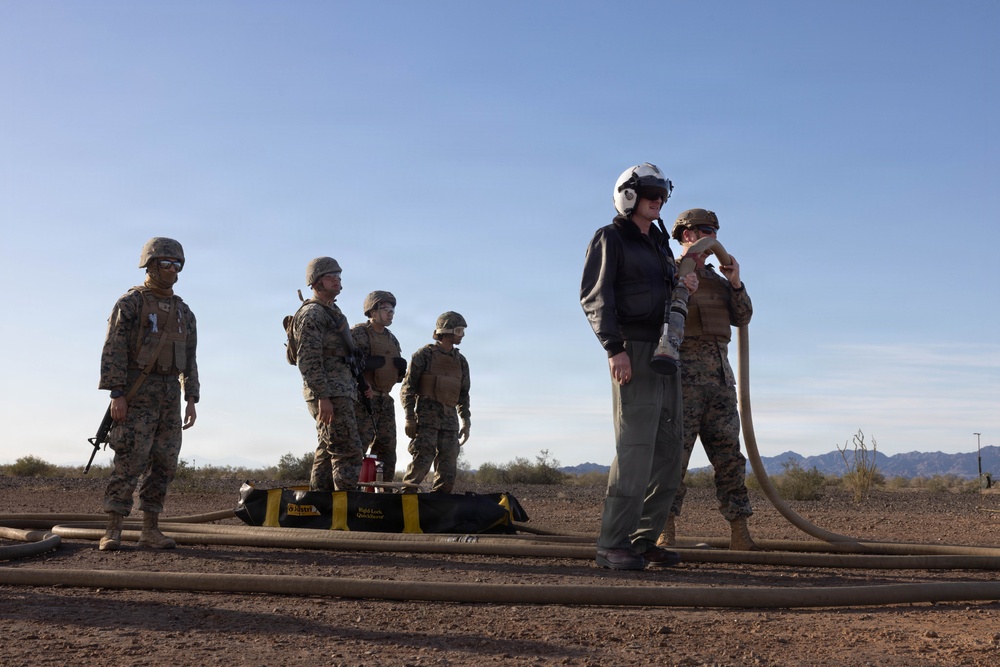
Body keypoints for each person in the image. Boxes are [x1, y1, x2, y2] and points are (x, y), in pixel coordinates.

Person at [580, 163, 698, 570]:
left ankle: (644, 539)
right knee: (634, 451)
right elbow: (595, 297)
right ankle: (612, 544)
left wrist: (685, 284)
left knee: (669, 452)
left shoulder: (660, 246)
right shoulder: (610, 237)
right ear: (628, 194)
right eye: (649, 190)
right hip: (633, 347)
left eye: (662, 191)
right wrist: (615, 349)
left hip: (667, 351)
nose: (657, 198)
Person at [657, 209, 758, 551]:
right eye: (701, 230)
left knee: (730, 459)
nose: (708, 235)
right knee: (672, 460)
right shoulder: (666, 272)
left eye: (712, 230)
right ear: (684, 235)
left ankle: (740, 533)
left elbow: (743, 317)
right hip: (679, 381)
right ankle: (663, 530)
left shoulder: (718, 279)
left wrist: (735, 282)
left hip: (720, 382)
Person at [98, 237, 199, 551]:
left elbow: (191, 358)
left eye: (177, 263)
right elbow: (113, 349)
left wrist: (191, 397)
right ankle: (112, 529)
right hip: (136, 394)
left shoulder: (184, 312)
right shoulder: (130, 304)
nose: (172, 269)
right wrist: (116, 393)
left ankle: (150, 530)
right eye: (166, 262)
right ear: (151, 264)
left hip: (171, 395)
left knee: (165, 463)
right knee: (130, 460)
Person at [290, 257, 364, 491]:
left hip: (340, 390)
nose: (337, 281)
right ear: (315, 282)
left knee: (327, 448)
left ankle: (318, 507)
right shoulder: (312, 313)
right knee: (347, 450)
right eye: (330, 276)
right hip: (329, 393)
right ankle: (346, 508)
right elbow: (308, 359)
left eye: (338, 277)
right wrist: (323, 396)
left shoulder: (334, 313)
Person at [400, 311, 471, 493]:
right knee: (422, 461)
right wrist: (409, 417)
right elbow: (407, 389)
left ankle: (439, 506)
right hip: (426, 419)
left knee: (448, 468)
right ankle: (404, 502)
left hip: (450, 421)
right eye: (459, 330)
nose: (462, 335)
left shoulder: (461, 361)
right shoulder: (423, 355)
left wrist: (466, 422)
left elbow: (463, 395)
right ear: (446, 331)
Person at [351, 290, 407, 481]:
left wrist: (400, 371)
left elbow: (395, 377)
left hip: (385, 400)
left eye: (392, 309)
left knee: (387, 448)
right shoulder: (358, 334)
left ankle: (383, 491)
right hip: (363, 398)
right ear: (372, 311)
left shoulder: (392, 339)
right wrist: (364, 365)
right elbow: (343, 365)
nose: (390, 313)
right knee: (357, 446)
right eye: (385, 309)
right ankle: (351, 489)